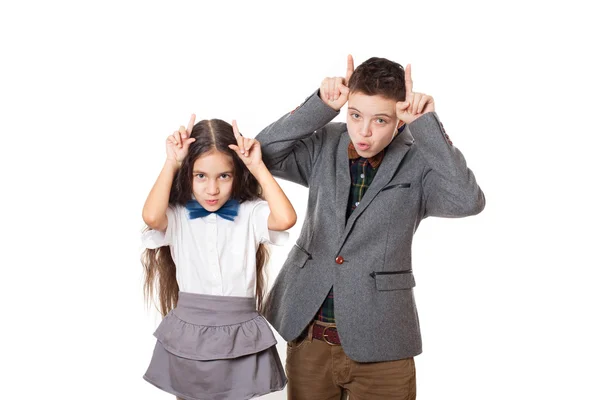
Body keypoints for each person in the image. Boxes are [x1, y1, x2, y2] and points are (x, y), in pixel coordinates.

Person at [256, 56, 485, 399]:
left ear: (399, 121)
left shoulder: (420, 160)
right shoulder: (325, 143)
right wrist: (320, 106)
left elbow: (468, 201)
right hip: (310, 333)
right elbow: (264, 153)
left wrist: (427, 126)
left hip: (383, 341)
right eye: (355, 115)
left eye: (380, 120)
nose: (364, 131)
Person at [140, 115, 295, 400]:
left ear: (236, 174)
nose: (212, 189)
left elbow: (285, 219)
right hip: (191, 330)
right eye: (201, 176)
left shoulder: (250, 213)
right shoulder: (177, 215)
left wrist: (257, 166)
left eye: (223, 176)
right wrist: (171, 163)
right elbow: (151, 216)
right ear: (188, 174)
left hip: (240, 330)